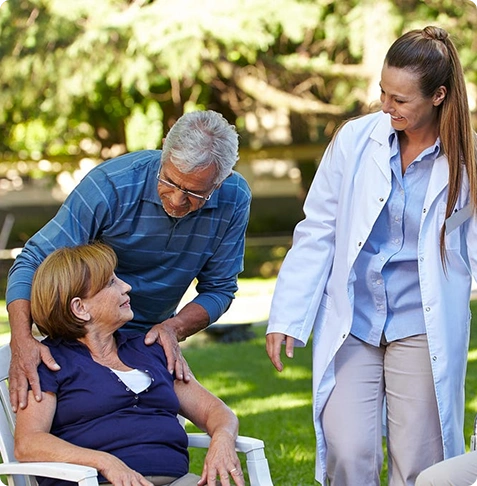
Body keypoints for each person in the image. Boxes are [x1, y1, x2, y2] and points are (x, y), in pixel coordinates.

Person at [266, 26, 477, 485]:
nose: (386, 106)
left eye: (401, 100)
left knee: (419, 460)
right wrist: (287, 314)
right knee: (348, 448)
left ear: (438, 96)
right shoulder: (355, 139)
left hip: (421, 324)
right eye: (383, 92)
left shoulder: (467, 158)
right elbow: (319, 227)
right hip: (354, 320)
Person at [6, 109, 251, 413]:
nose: (176, 201)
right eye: (170, 181)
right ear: (164, 150)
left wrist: (173, 329)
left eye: (193, 193)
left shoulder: (235, 197)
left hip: (150, 342)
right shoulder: (110, 185)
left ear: (220, 181)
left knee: (154, 430)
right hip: (81, 339)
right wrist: (22, 339)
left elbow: (220, 289)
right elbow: (31, 261)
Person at [14, 241, 245, 486]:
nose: (126, 287)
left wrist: (222, 438)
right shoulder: (50, 361)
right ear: (80, 308)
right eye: (111, 283)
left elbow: (217, 412)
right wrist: (104, 462)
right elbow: (29, 442)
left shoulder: (150, 348)